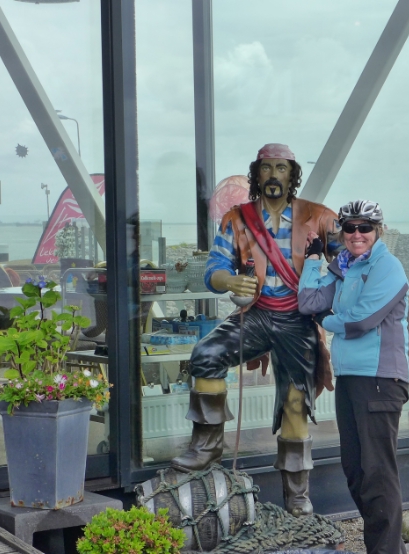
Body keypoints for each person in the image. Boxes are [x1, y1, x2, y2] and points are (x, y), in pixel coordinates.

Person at [171, 143, 341, 517]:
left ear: (292, 174)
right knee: (206, 354)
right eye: (266, 168)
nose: (274, 175)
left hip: (298, 320)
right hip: (258, 315)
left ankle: (297, 497)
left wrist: (331, 285)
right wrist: (230, 280)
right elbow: (214, 267)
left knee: (296, 405)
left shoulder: (319, 217)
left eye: (281, 168)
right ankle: (207, 444)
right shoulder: (237, 218)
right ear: (257, 174)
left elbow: (349, 254)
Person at [298, 200, 409, 554]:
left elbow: (362, 321)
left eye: (365, 227)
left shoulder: (388, 267)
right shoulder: (344, 267)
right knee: (355, 471)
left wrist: (326, 322)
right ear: (342, 232)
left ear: (379, 231)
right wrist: (315, 261)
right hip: (349, 378)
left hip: (380, 379)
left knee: (377, 474)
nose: (357, 234)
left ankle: (387, 551)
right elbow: (309, 302)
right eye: (350, 228)